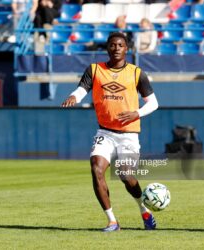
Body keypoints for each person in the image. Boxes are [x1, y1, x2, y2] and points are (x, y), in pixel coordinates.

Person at [62, 32, 159, 232]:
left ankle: (144, 210)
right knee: (96, 169)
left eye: (120, 45)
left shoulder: (136, 73)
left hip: (129, 135)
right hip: (105, 133)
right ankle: (112, 221)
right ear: (107, 48)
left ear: (127, 49)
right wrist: (73, 96)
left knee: (125, 175)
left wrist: (137, 114)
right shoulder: (95, 70)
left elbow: (154, 103)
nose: (116, 48)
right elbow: (82, 89)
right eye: (113, 45)